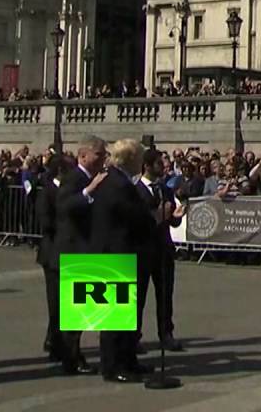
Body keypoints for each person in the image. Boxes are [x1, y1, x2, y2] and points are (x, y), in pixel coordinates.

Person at [90, 139, 157, 383]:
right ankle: (113, 365)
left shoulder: (118, 181)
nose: (141, 162)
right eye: (139, 158)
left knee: (127, 315)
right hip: (116, 254)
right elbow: (133, 216)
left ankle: (128, 360)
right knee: (114, 317)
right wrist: (155, 218)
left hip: (123, 252)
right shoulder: (118, 184)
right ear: (130, 159)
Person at [52, 136, 108, 376]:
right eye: (99, 154)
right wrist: (89, 191)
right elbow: (64, 206)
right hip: (74, 248)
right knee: (75, 312)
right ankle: (70, 358)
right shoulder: (75, 178)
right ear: (83, 155)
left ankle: (74, 355)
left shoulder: (94, 177)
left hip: (89, 248)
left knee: (84, 310)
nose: (103, 158)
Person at [135, 148, 186, 353]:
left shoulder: (165, 189)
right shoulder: (136, 190)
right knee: (138, 296)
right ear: (147, 166)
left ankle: (166, 333)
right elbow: (137, 221)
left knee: (165, 294)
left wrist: (176, 216)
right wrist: (158, 215)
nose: (163, 167)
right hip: (143, 248)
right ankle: (133, 336)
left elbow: (170, 219)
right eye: (158, 163)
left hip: (163, 248)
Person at [33, 151, 65, 365]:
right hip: (52, 251)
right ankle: (55, 343)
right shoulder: (48, 192)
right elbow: (46, 223)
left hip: (67, 251)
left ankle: (55, 339)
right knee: (55, 302)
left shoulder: (67, 190)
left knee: (64, 303)